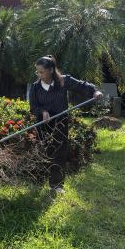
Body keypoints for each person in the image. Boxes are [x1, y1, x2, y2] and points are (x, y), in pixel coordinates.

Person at [28, 55, 103, 194]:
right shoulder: (35, 87)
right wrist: (42, 111)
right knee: (42, 150)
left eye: (41, 72)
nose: (39, 75)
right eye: (37, 72)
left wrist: (94, 91)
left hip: (60, 121)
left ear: (50, 70)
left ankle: (56, 185)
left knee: (59, 152)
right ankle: (38, 180)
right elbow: (33, 107)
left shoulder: (64, 81)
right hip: (43, 124)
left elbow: (82, 85)